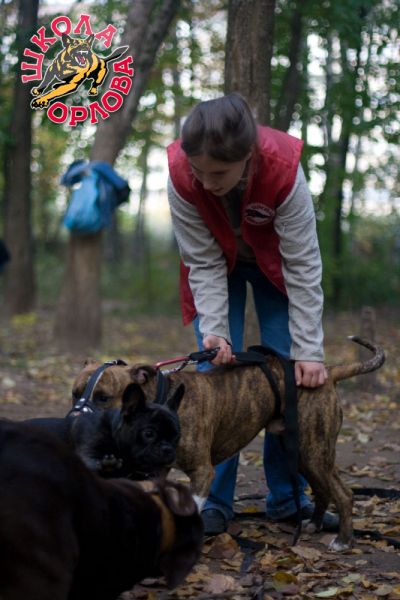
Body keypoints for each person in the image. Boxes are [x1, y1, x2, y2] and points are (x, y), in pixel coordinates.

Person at [166, 93, 338, 535]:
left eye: (218, 173)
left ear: (248, 156)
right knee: (216, 374)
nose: (206, 182)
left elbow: (303, 266)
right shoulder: (180, 174)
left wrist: (310, 349)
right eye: (199, 171)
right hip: (216, 268)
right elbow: (201, 260)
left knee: (289, 378)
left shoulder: (283, 171)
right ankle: (214, 502)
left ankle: (288, 498)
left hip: (277, 267)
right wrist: (216, 331)